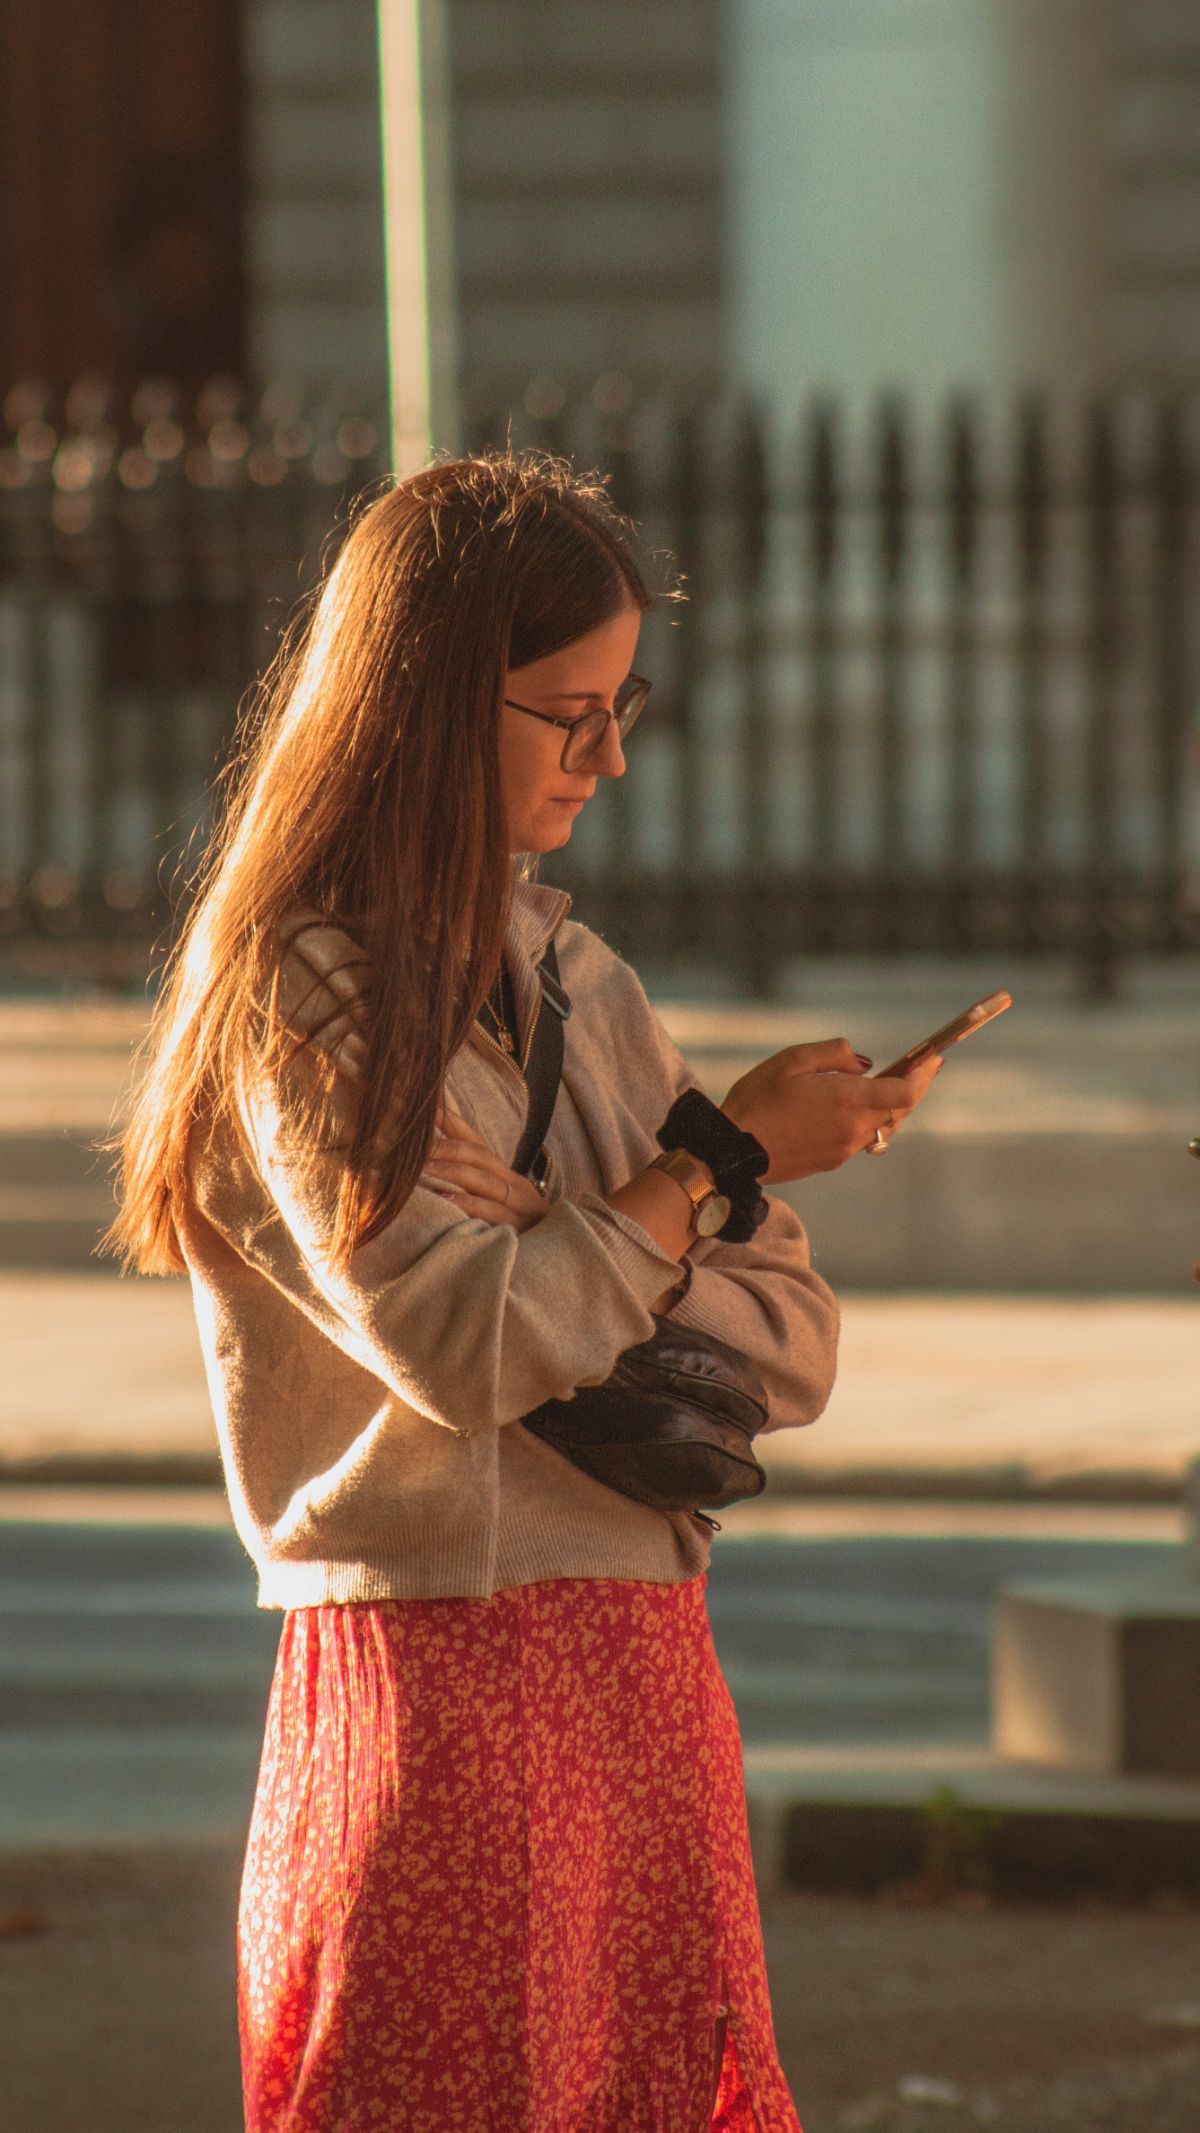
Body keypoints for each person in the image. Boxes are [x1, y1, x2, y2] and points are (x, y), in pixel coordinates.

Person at [107, 453, 940, 2132]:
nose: (613, 755)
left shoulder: (575, 974)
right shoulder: (306, 1000)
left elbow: (791, 1342)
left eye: (626, 704)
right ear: (425, 703)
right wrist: (696, 1173)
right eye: (571, 712)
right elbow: (469, 1344)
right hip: (436, 1679)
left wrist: (577, 1219)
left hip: (644, 1669)